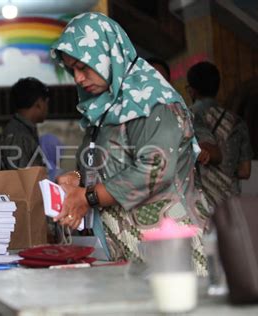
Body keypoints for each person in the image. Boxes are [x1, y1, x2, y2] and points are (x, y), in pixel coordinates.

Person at [50, 12, 209, 275]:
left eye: (83, 67)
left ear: (107, 55)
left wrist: (88, 197)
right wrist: (77, 178)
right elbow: (101, 165)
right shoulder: (105, 109)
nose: (77, 78)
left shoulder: (155, 102)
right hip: (126, 252)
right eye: (72, 69)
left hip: (170, 250)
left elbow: (155, 169)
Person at [186, 61, 253, 196]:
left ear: (191, 90)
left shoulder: (185, 116)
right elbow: (245, 171)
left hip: (199, 199)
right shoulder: (237, 121)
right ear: (217, 88)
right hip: (229, 200)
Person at [0, 77, 50, 169]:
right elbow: (21, 177)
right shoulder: (19, 135)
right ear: (39, 103)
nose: (47, 107)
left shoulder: (21, 130)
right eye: (46, 102)